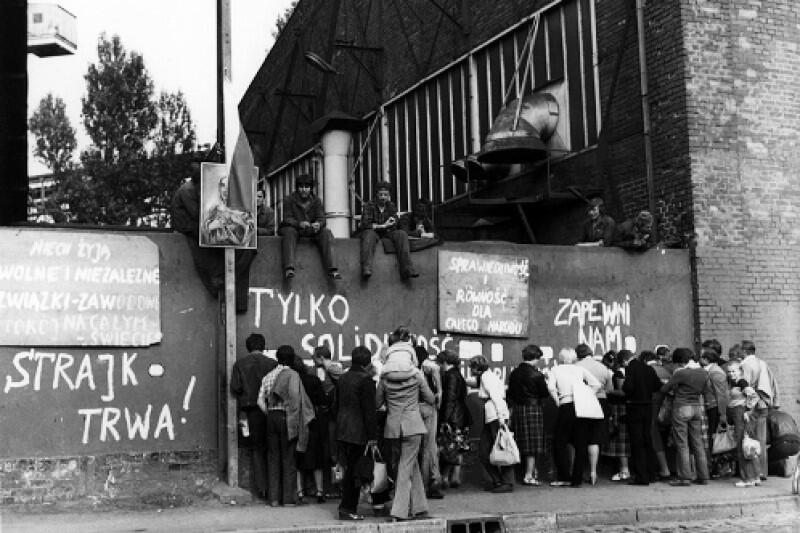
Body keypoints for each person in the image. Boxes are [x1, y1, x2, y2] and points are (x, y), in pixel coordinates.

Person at [170, 153, 255, 312]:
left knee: (244, 249)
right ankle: (218, 278)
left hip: (198, 224)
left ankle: (226, 282)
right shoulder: (188, 190)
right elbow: (198, 215)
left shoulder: (200, 188)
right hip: (187, 226)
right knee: (210, 243)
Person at [376, 328, 434, 521]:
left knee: (409, 465)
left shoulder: (384, 377)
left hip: (393, 427)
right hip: (413, 426)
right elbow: (430, 399)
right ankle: (398, 511)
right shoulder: (416, 375)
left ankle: (420, 508)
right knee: (406, 466)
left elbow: (377, 403)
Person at [257, 345, 315, 506]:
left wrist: (270, 413)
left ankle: (274, 498)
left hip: (271, 417)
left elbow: (259, 400)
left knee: (273, 457)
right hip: (287, 416)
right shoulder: (293, 375)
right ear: (291, 358)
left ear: (277, 358)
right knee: (289, 458)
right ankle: (288, 498)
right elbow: (295, 398)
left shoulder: (268, 376)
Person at [229, 333, 277, 501]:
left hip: (250, 412)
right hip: (271, 410)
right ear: (263, 346)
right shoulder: (273, 364)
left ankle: (261, 488)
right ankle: (274, 490)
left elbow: (235, 387)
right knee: (272, 449)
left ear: (248, 347)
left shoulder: (240, 364)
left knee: (257, 450)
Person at [335, 346, 377, 521]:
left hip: (343, 429)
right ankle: (348, 508)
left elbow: (336, 404)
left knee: (349, 468)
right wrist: (372, 436)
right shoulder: (366, 381)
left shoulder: (342, 378)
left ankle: (347, 506)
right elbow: (369, 411)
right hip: (358, 432)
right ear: (368, 363)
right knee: (355, 471)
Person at [660, 347, 712, 486]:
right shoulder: (703, 372)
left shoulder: (681, 373)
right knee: (698, 443)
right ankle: (704, 476)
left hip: (682, 407)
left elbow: (665, 389)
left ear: (680, 361)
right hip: (696, 408)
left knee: (682, 444)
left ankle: (685, 477)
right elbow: (706, 390)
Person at [279, 173, 341, 280]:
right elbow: (287, 219)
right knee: (289, 231)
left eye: (307, 187)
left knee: (326, 232)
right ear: (297, 188)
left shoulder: (317, 200)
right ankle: (289, 268)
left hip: (311, 231)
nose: (304, 190)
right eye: (301, 187)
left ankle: (333, 269)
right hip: (294, 229)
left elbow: (322, 218)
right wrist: (299, 224)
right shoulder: (289, 200)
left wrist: (318, 224)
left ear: (311, 188)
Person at [469, 355, 514, 493]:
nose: (470, 370)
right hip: (493, 416)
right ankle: (500, 481)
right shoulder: (488, 376)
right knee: (487, 450)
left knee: (500, 448)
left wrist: (501, 416)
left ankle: (504, 482)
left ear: (477, 368)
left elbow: (496, 396)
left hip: (495, 416)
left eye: (472, 368)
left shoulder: (486, 378)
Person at [507, 345, 550, 486]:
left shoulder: (514, 373)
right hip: (533, 408)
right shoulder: (537, 374)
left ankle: (526, 472)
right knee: (533, 444)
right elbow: (544, 393)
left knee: (521, 441)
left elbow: (510, 393)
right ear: (536, 358)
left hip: (518, 408)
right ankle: (529, 474)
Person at [358, 181, 419, 280]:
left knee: (401, 234)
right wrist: (383, 226)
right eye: (381, 194)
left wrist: (392, 222)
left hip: (387, 232)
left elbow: (395, 221)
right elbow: (365, 224)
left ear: (389, 195)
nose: (383, 197)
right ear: (376, 195)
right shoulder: (369, 205)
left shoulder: (391, 206)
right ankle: (366, 268)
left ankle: (407, 268)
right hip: (373, 232)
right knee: (368, 234)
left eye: (385, 195)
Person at [620, 349, 663, 485]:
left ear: (624, 360)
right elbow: (657, 386)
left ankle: (641, 477)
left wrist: (624, 390)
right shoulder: (648, 368)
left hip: (635, 407)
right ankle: (652, 474)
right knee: (647, 440)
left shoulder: (630, 368)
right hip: (648, 407)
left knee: (637, 442)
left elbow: (628, 388)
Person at [739, 340, 779, 482]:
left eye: (740, 350)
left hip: (753, 405)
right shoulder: (762, 363)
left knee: (750, 439)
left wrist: (747, 408)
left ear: (744, 351)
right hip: (763, 405)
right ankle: (762, 471)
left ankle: (753, 473)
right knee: (761, 440)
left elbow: (746, 387)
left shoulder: (745, 365)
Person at [574, 344, 613, 485]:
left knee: (578, 438)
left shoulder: (575, 367)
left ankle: (576, 472)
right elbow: (609, 389)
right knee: (594, 439)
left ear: (577, 355)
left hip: (580, 402)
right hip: (600, 402)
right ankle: (593, 472)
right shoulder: (603, 367)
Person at [291, 355, 327, 505]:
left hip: (296, 421)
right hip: (313, 421)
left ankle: (300, 491)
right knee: (317, 458)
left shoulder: (292, 381)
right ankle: (319, 491)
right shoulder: (314, 380)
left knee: (298, 458)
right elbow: (322, 400)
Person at [436, 349, 471, 489]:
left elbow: (449, 399)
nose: (439, 366)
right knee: (459, 447)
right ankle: (456, 476)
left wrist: (445, 419)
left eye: (440, 363)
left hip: (453, 417)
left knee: (447, 447)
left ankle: (445, 477)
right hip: (462, 416)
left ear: (445, 362)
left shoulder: (450, 375)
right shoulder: (459, 375)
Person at [415, 344, 443, 499]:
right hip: (427, 407)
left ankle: (429, 483)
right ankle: (429, 484)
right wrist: (439, 391)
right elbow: (435, 368)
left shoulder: (408, 367)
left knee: (419, 448)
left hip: (412, 408)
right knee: (429, 447)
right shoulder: (425, 366)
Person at [726, 361, 760, 487]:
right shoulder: (735, 382)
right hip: (738, 414)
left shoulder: (741, 382)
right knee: (747, 446)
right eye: (729, 371)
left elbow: (754, 396)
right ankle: (755, 477)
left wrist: (748, 410)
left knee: (743, 447)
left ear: (740, 371)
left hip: (740, 414)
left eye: (734, 371)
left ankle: (747, 479)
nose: (731, 374)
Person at [201, 173, 255, 246]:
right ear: (219, 189)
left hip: (238, 250)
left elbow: (251, 232)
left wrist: (241, 223)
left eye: (229, 186)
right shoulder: (214, 209)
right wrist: (210, 226)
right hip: (217, 250)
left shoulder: (244, 211)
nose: (225, 189)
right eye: (223, 185)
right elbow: (204, 231)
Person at [699, 348, 730, 471]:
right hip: (711, 406)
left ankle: (713, 467)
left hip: (714, 407)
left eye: (701, 357)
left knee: (713, 437)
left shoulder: (716, 372)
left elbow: (721, 395)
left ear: (707, 359)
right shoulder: (710, 371)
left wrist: (722, 414)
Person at [604, 351, 632, 482]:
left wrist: (608, 391)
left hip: (619, 408)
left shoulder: (619, 373)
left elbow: (622, 392)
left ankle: (624, 470)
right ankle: (625, 469)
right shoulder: (629, 372)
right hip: (629, 408)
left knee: (620, 440)